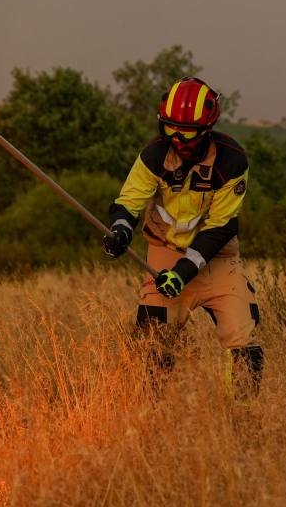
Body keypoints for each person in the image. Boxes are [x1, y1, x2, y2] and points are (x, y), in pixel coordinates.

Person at [102, 76, 263, 400]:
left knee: (243, 336)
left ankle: (247, 419)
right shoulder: (154, 155)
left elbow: (220, 227)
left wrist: (185, 272)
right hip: (164, 251)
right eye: (169, 129)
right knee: (153, 337)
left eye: (186, 133)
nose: (177, 139)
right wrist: (119, 229)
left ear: (206, 130)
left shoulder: (232, 161)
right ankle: (154, 411)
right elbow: (128, 203)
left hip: (217, 256)